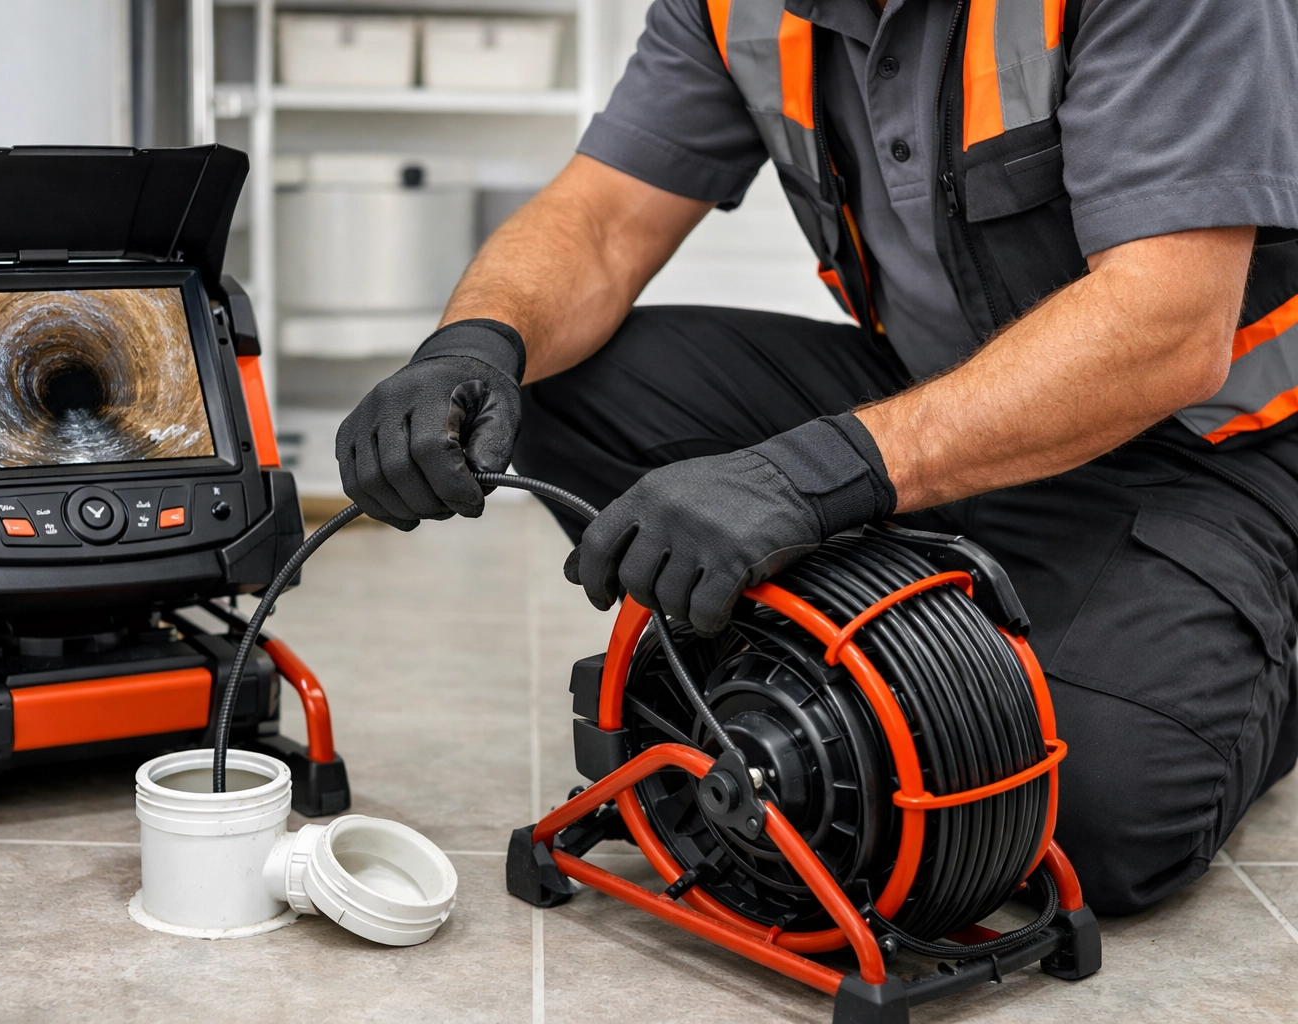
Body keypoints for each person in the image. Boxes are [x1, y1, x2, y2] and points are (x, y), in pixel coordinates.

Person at [335, 0, 1298, 915]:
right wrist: (472, 346)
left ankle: (1232, 640)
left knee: (1079, 812)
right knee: (554, 381)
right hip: (944, 406)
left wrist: (809, 477)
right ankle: (898, 647)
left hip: (1217, 449)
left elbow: (1167, 323)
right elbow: (603, 216)